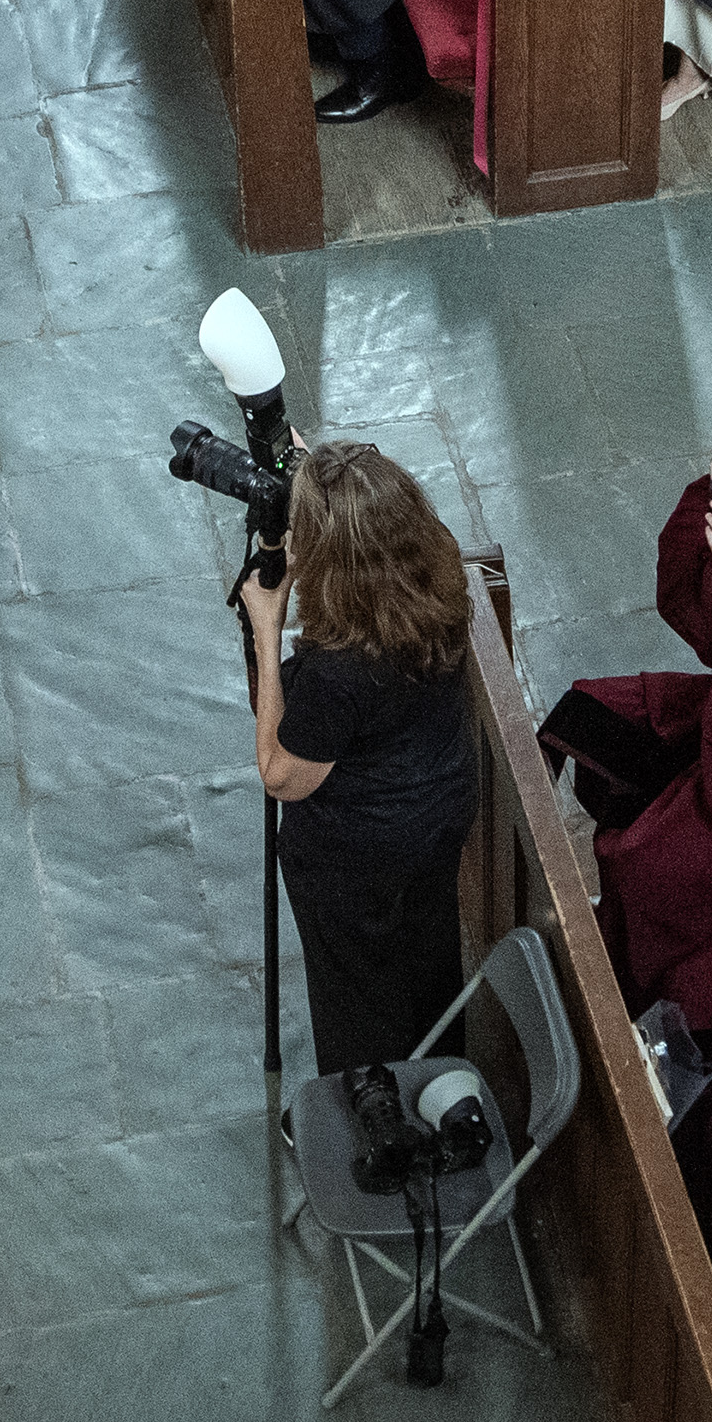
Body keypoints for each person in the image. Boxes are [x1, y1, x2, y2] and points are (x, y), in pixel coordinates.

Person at [246, 440, 482, 1073]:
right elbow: (361, 510)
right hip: (442, 808)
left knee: (356, 989)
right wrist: (313, 464)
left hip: (359, 857)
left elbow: (282, 777)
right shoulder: (439, 581)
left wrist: (267, 633)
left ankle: (367, 1107)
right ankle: (440, 1083)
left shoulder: (337, 673)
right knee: (430, 956)